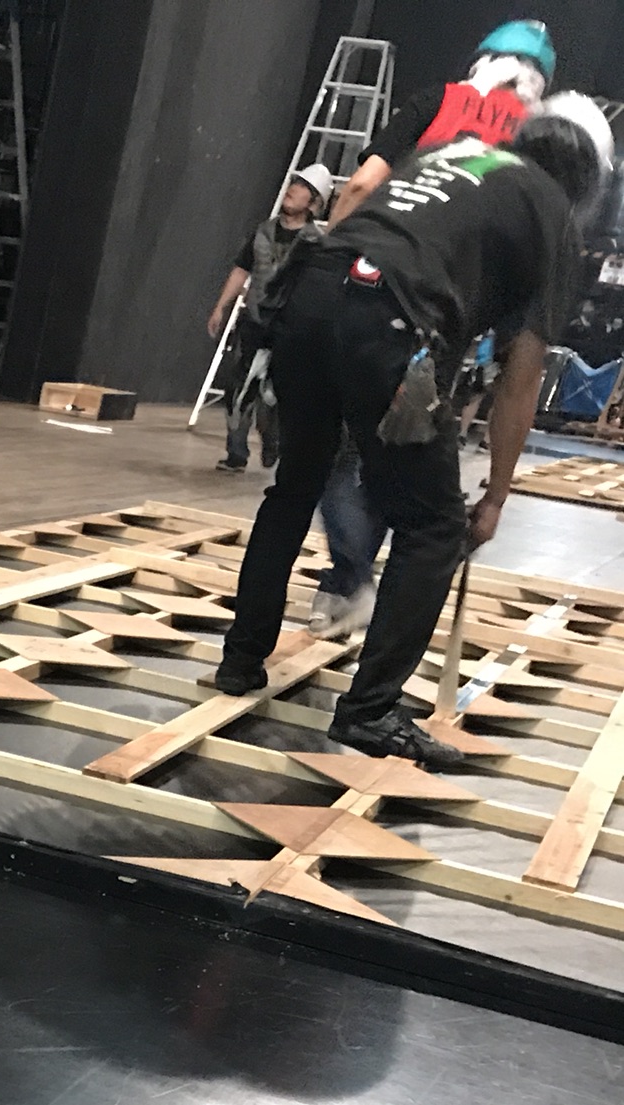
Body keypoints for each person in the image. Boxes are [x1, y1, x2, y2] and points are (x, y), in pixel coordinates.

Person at [215, 97, 609, 770]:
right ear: (586, 181)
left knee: (296, 485)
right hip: (385, 314)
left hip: (309, 295)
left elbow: (365, 198)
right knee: (433, 527)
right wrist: (495, 498)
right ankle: (370, 711)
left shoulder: (452, 155)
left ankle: (240, 660)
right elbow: (523, 374)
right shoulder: (549, 211)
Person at [308, 22, 560, 633]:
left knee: (328, 447)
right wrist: (496, 494)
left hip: (364, 284)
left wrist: (321, 263)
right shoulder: (534, 143)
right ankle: (361, 589)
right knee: (396, 447)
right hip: (446, 320)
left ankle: (347, 580)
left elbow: (363, 183)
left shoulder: (439, 101)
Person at [328, 20, 558, 226]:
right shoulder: (540, 137)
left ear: (483, 61)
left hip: (401, 238)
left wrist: (330, 243)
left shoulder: (438, 99)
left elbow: (363, 185)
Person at [208, 166, 335, 471]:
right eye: (294, 183)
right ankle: (236, 453)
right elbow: (242, 269)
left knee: (275, 396)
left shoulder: (315, 243)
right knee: (238, 390)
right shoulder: (262, 232)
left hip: (289, 330)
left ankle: (272, 440)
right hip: (254, 323)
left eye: (302, 187)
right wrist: (221, 306)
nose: (293, 190)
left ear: (313, 202)